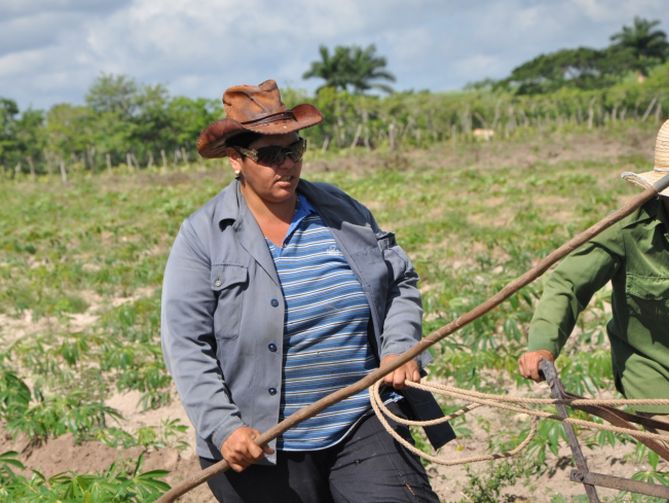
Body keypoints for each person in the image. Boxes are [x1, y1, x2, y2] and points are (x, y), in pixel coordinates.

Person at [161, 79, 453, 503]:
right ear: (235, 160)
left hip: (361, 419)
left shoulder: (341, 211)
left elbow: (399, 282)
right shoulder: (203, 236)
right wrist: (225, 428)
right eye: (269, 154)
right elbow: (186, 343)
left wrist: (400, 349)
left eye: (294, 150)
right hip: (263, 444)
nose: (286, 164)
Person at [518, 117, 669, 491]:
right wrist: (543, 344)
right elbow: (569, 282)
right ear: (662, 190)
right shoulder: (626, 230)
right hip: (655, 374)